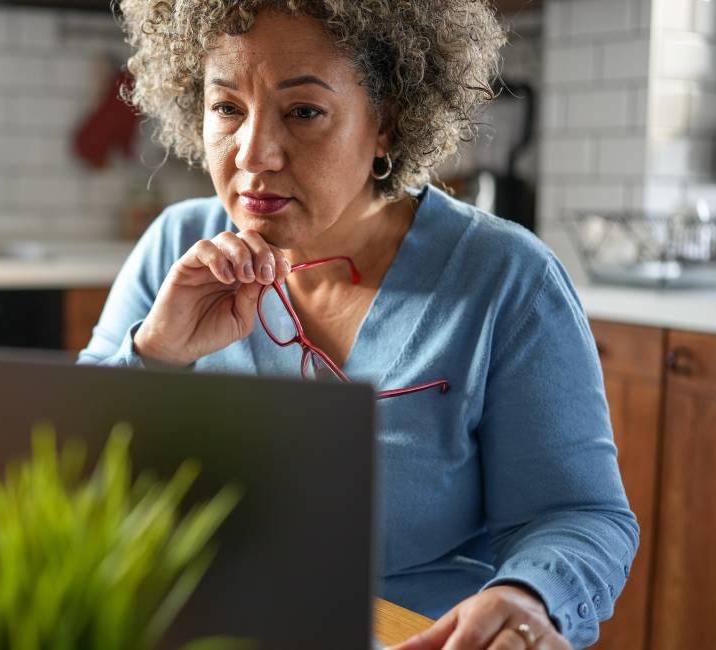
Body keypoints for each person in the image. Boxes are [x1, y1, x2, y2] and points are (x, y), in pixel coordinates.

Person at [77, 2, 639, 648]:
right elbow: (69, 484)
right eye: (227, 108)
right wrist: (155, 357)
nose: (254, 154)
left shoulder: (508, 282)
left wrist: (526, 597)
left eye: (304, 113)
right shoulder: (173, 247)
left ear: (386, 122)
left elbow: (578, 516)